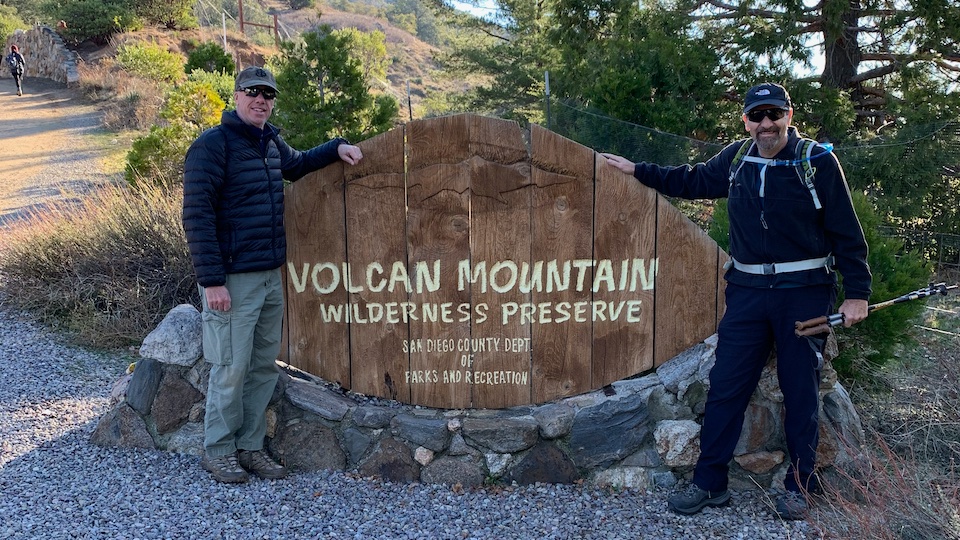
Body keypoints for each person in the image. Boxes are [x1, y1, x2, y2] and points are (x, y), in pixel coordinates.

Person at [602, 82, 871, 520]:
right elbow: (692, 180)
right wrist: (638, 170)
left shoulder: (817, 162)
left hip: (804, 294)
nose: (766, 124)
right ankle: (710, 484)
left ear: (789, 115)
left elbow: (846, 230)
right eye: (756, 116)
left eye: (774, 114)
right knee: (726, 387)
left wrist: (858, 293)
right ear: (746, 121)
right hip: (746, 294)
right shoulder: (736, 158)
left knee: (800, 390)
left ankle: (801, 486)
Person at [182, 66, 364, 483]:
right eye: (253, 92)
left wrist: (337, 147)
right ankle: (219, 451)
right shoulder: (213, 146)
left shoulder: (269, 144)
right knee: (230, 367)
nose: (261, 100)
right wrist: (212, 281)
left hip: (268, 276)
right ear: (236, 95)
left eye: (268, 94)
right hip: (231, 279)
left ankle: (250, 447)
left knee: (263, 366)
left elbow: (297, 164)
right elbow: (196, 216)